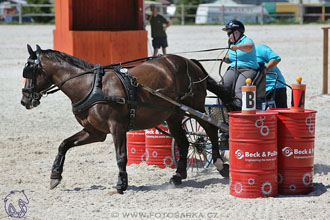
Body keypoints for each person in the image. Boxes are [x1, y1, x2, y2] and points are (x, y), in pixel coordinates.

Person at [221, 20, 259, 107]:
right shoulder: (231, 43)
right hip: (234, 68)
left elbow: (250, 47)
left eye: (229, 33)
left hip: (248, 69)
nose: (228, 36)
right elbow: (230, 58)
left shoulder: (246, 40)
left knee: (239, 89)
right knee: (222, 87)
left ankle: (238, 110)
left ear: (237, 32)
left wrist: (237, 47)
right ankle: (220, 111)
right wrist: (225, 59)